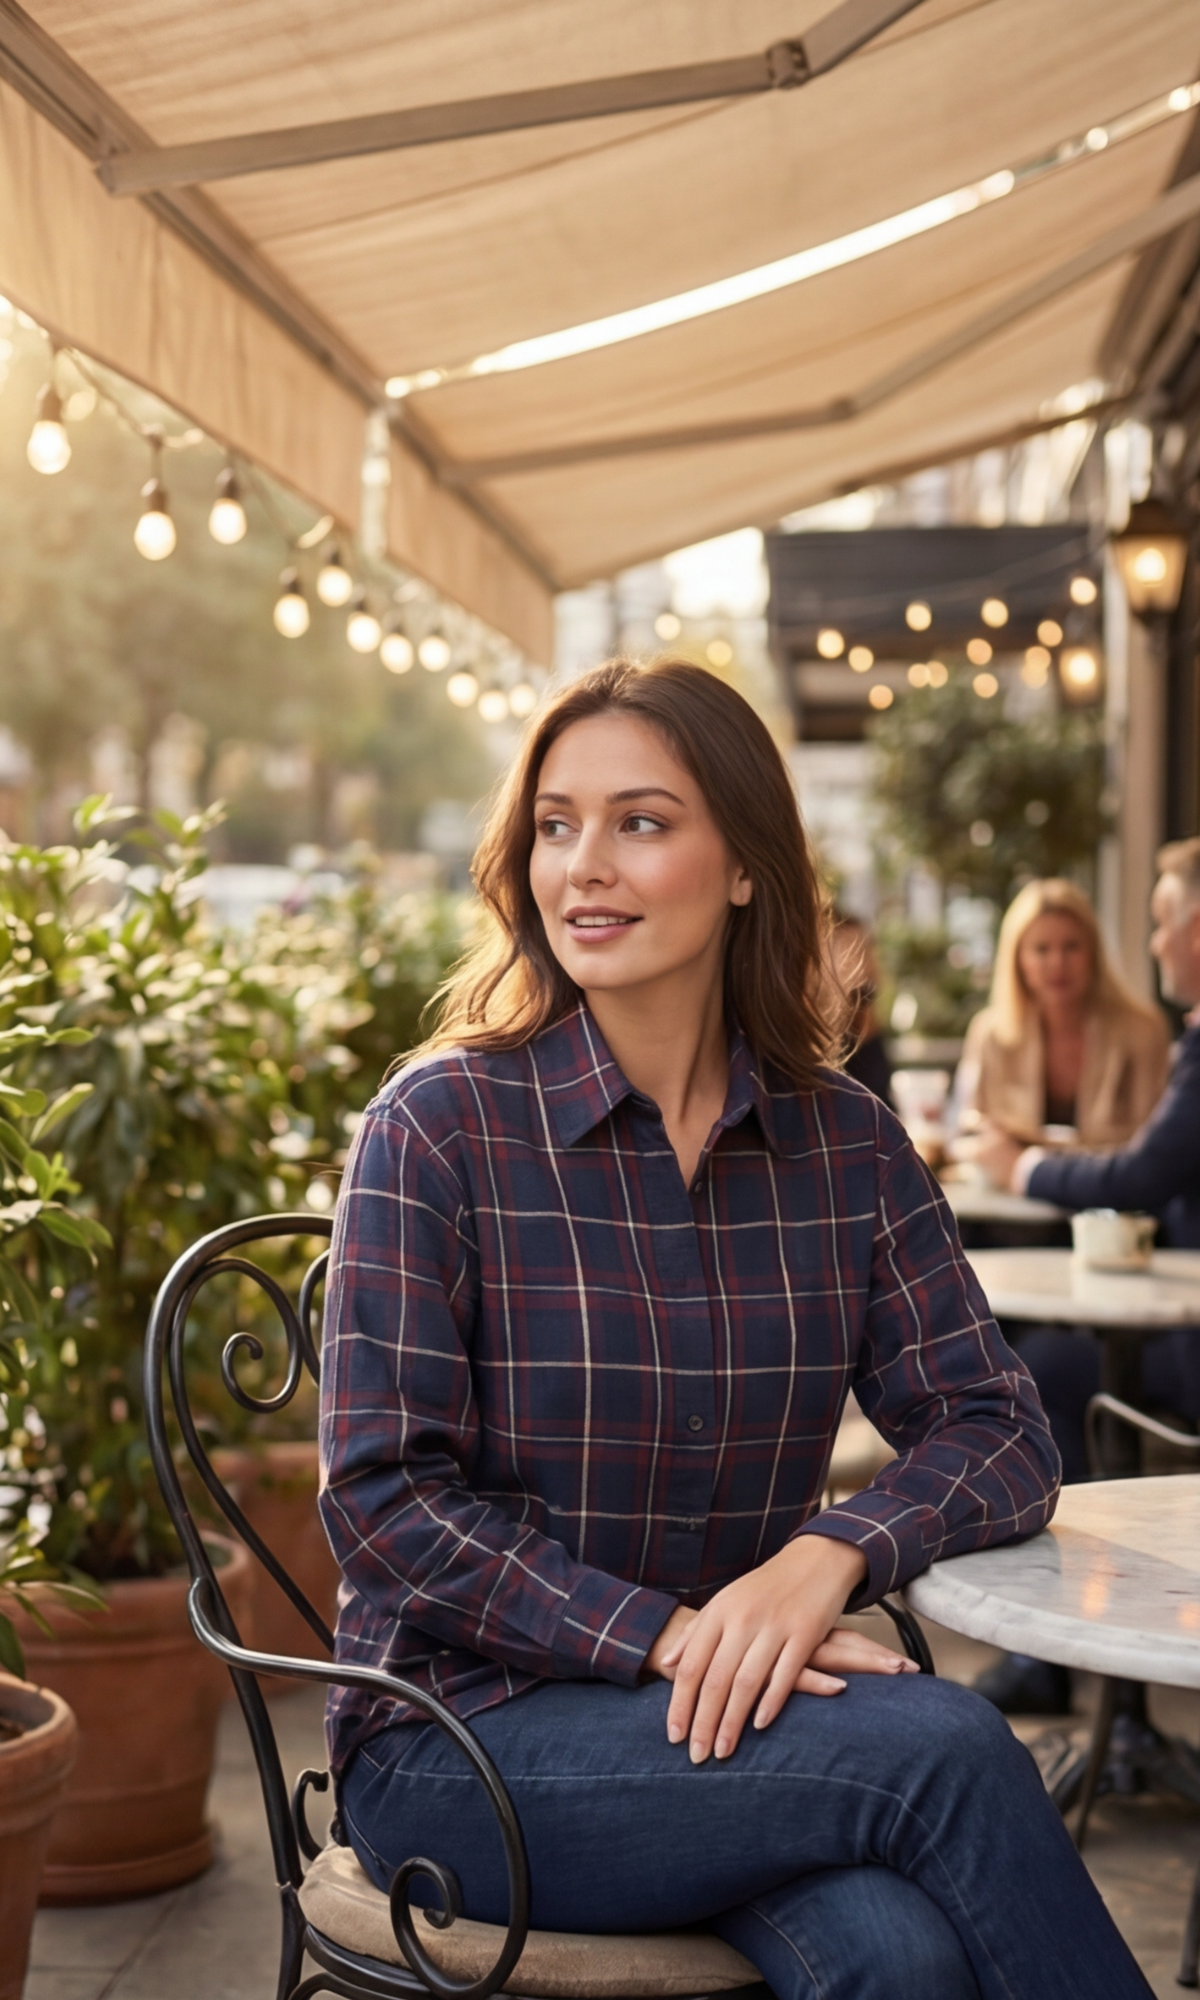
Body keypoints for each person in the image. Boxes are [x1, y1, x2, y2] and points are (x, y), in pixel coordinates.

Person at [319, 659, 1151, 2000]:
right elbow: (382, 1509)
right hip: (460, 1738)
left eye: (642, 821)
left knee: (904, 1958)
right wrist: (664, 1634)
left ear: (748, 865)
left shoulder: (844, 1145)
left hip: (729, 1721)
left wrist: (827, 1555)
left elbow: (998, 1427)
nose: (584, 865)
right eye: (556, 822)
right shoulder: (440, 1128)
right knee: (946, 1752)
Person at [956, 878, 1167, 1149]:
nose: (1057, 963)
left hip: (1113, 1189)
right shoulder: (990, 1033)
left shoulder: (1142, 1031)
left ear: (1093, 952)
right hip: (1012, 1189)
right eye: (1041, 949)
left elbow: (1154, 1147)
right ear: (1018, 960)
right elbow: (972, 1127)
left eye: (1071, 946)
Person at [830, 911, 894, 1108]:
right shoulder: (817, 1044)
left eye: (864, 952)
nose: (862, 968)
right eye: (850, 955)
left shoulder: (865, 1028)